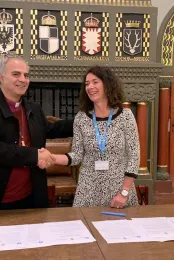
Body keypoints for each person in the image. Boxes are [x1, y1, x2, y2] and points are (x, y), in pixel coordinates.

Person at [0, 55, 73, 212]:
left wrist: (84, 120)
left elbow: (52, 129)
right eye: (16, 74)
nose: (23, 79)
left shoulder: (33, 109)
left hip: (30, 198)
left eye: (26, 75)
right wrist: (35, 155)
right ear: (1, 77)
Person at [46, 66, 140, 209]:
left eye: (95, 82)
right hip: (87, 191)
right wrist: (51, 157)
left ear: (107, 85)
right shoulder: (81, 118)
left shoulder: (125, 116)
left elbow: (134, 156)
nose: (90, 87)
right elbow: (76, 155)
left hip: (119, 190)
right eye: (87, 84)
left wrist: (124, 192)